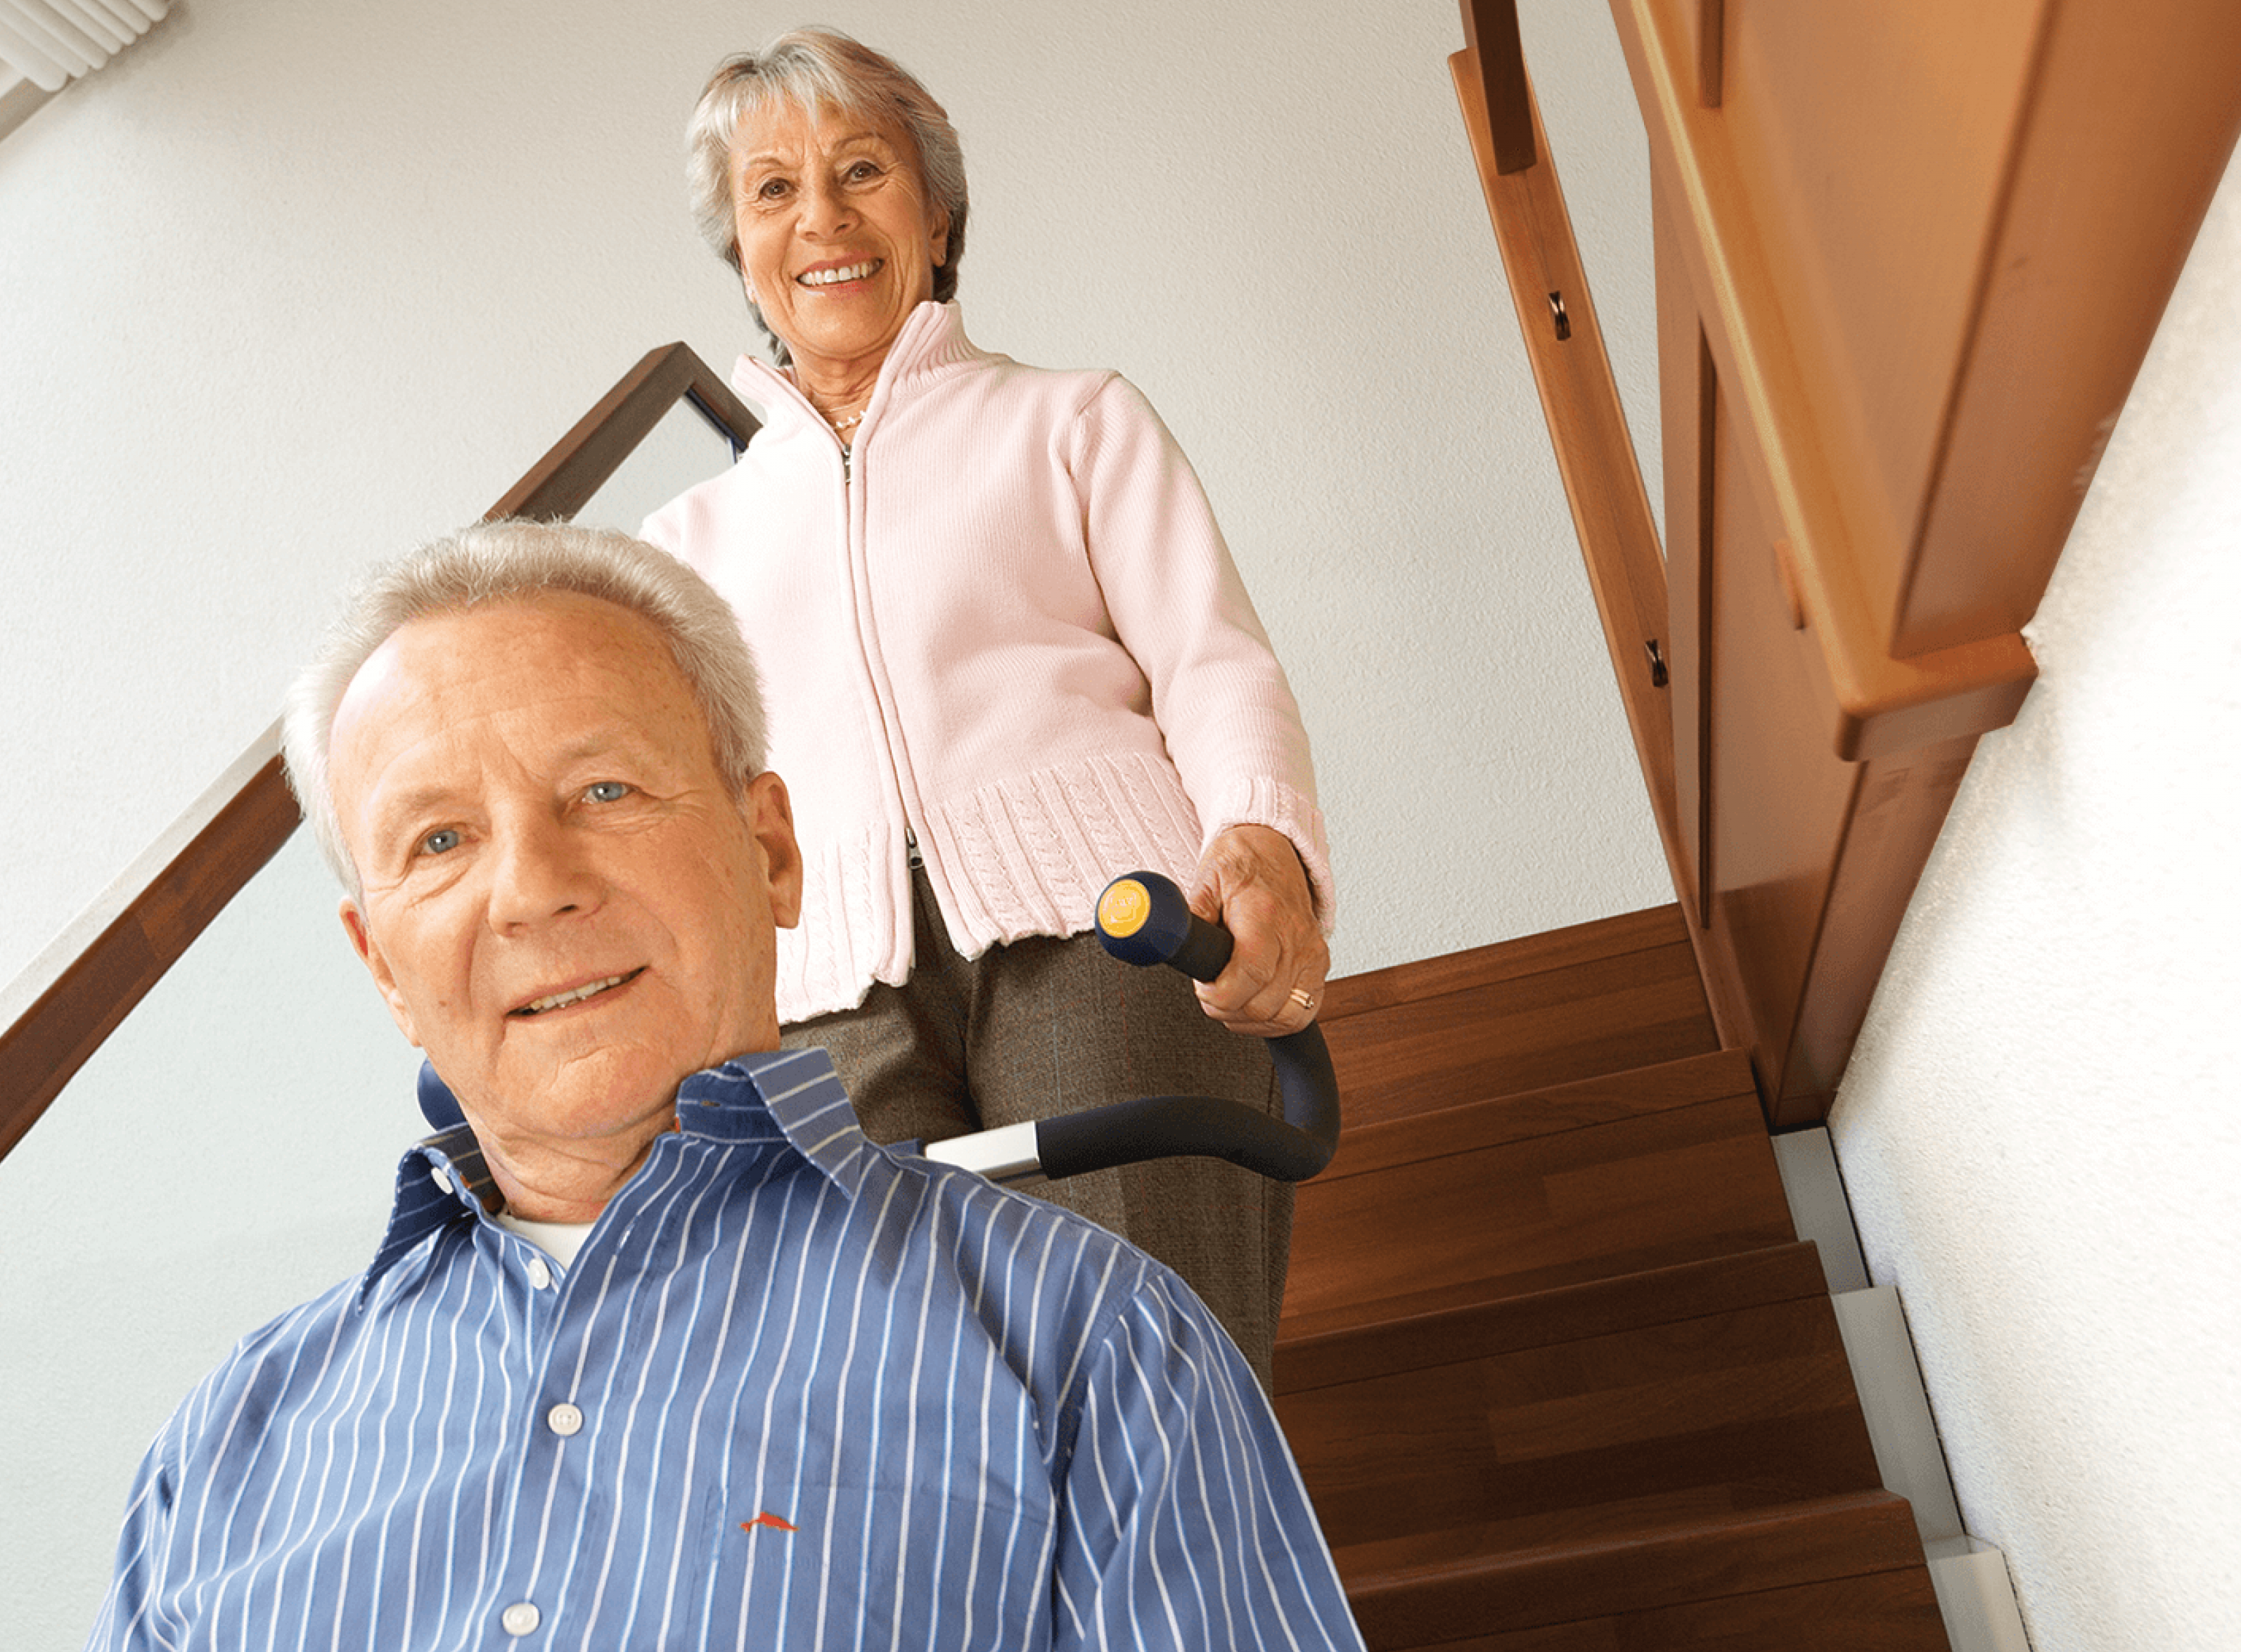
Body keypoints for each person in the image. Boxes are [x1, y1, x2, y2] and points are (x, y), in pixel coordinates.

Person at [82, 520, 1364, 1650]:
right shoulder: (219, 1457)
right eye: (439, 840)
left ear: (770, 852)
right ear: (382, 969)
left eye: (603, 789)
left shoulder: (1097, 1344)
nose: (532, 886)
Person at [643, 28, 1333, 1386]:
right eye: (773, 190)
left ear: (937, 214)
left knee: (1151, 1371)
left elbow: (1212, 658)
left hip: (1106, 931)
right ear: (738, 247)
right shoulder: (683, 541)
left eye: (862, 171)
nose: (822, 218)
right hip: (825, 991)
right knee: (906, 1418)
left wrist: (1263, 851)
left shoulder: (1073, 421)